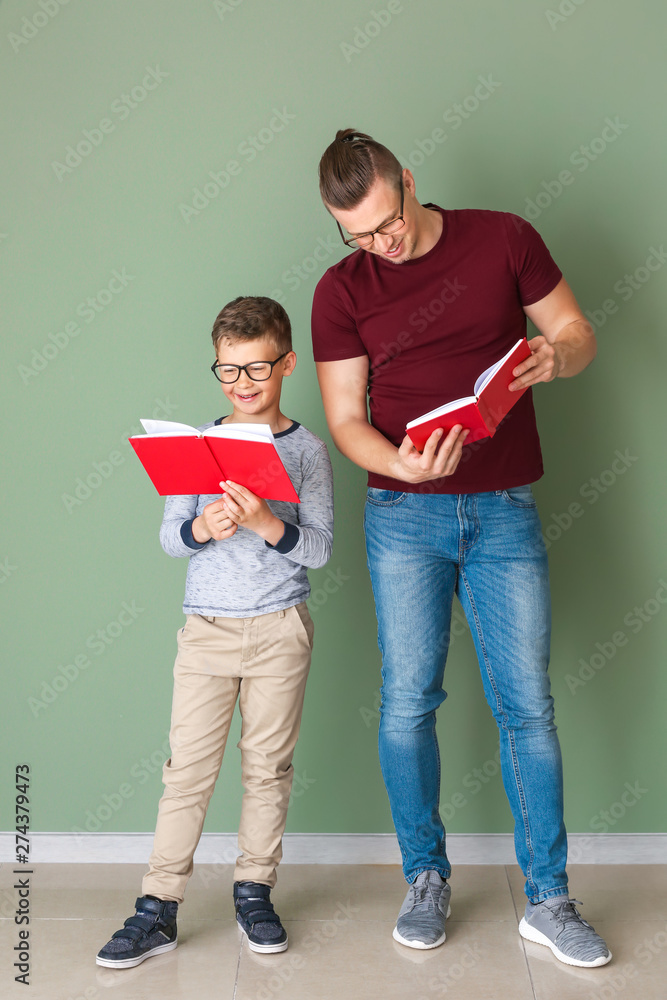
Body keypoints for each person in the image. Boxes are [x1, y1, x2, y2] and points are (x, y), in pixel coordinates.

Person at [311, 128, 611, 969]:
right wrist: (396, 459)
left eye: (387, 220)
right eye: (359, 235)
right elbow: (343, 419)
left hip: (504, 508)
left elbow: (578, 331)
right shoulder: (341, 289)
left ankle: (548, 900)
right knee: (408, 700)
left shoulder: (504, 236)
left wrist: (559, 355)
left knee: (528, 708)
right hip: (402, 516)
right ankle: (424, 878)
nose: (383, 243)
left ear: (408, 181)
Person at [96, 296, 334, 968]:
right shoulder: (194, 446)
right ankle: (157, 908)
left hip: (279, 629)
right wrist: (203, 527)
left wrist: (265, 523)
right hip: (205, 630)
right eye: (228, 372)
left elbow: (317, 549)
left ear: (287, 363)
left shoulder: (307, 451)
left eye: (257, 369)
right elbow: (173, 540)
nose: (243, 385)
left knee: (267, 770)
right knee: (187, 773)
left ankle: (253, 893)